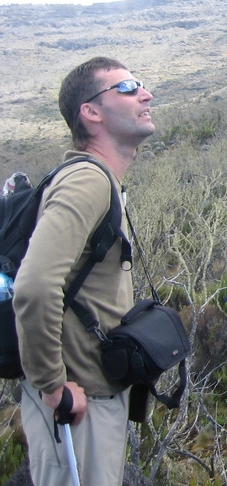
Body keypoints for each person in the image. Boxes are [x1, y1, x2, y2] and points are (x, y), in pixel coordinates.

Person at [13, 56, 154, 486]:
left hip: (91, 400)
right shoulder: (87, 181)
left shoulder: (98, 179)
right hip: (77, 406)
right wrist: (53, 386)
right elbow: (34, 288)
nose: (145, 94)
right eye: (128, 88)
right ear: (90, 112)